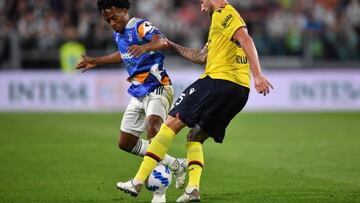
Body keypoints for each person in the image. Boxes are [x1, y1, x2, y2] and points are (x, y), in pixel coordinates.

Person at [117, 0, 274, 202]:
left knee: (170, 124)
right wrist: (171, 44)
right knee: (195, 137)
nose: (201, 7)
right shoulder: (218, 27)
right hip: (239, 92)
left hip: (218, 81)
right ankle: (192, 189)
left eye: (202, 1)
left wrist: (258, 76)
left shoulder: (223, 13)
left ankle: (137, 181)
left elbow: (246, 38)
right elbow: (201, 57)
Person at [75, 0, 187, 192]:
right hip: (138, 91)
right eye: (107, 20)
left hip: (157, 86)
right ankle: (177, 165)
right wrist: (97, 61)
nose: (111, 22)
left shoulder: (139, 26)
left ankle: (151, 188)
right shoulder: (119, 33)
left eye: (114, 17)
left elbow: (162, 41)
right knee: (125, 143)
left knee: (153, 129)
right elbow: (123, 54)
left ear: (124, 10)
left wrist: (145, 47)